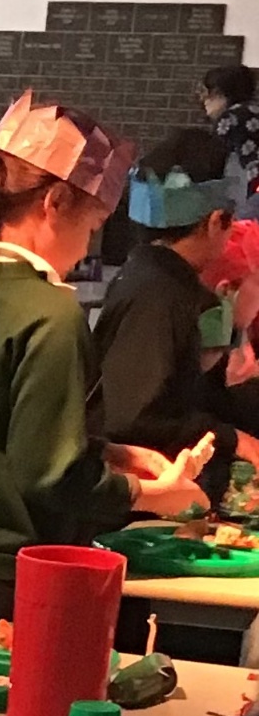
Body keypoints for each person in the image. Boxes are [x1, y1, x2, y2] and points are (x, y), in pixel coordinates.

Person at [0, 93, 207, 630]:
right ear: (54, 202)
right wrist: (154, 496)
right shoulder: (49, 311)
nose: (86, 249)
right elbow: (49, 476)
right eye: (92, 227)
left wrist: (115, 454)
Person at [95, 130, 255, 514]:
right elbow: (132, 416)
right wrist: (234, 439)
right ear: (216, 221)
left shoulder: (154, 278)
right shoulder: (158, 292)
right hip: (142, 502)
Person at [202, 64, 259, 203]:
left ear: (222, 93)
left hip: (249, 189)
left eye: (208, 92)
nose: (204, 99)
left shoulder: (230, 119)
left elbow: (213, 161)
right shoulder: (253, 110)